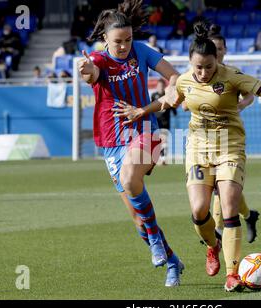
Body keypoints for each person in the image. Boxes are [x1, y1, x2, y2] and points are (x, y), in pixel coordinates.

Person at [77, 0, 184, 287]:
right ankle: (173, 262)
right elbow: (91, 74)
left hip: (146, 132)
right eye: (117, 41)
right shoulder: (99, 60)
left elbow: (173, 74)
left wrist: (172, 87)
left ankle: (156, 245)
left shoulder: (141, 51)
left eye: (127, 39)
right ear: (104, 40)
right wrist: (84, 68)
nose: (123, 46)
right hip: (112, 143)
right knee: (139, 222)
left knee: (128, 177)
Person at [174, 22, 261, 292]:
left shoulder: (232, 75)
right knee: (199, 211)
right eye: (198, 67)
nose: (203, 72)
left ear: (217, 60)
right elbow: (173, 98)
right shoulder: (183, 80)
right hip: (198, 150)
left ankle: (232, 274)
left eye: (209, 67)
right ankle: (213, 245)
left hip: (230, 146)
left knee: (229, 207)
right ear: (190, 62)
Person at [207, 24, 260, 244]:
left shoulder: (233, 73)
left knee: (222, 187)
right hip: (206, 138)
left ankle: (218, 230)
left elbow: (251, 95)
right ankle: (249, 215)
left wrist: (240, 105)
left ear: (225, 50)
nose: (217, 52)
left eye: (219, 48)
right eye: (213, 48)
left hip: (230, 138)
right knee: (226, 188)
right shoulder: (200, 72)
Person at [151, 78, 177, 165]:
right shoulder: (154, 95)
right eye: (159, 86)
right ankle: (159, 158)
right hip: (156, 122)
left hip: (165, 122)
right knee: (158, 141)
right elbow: (151, 107)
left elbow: (173, 106)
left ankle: (163, 159)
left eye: (162, 86)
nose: (160, 87)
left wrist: (174, 111)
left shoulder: (167, 95)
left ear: (164, 86)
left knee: (164, 140)